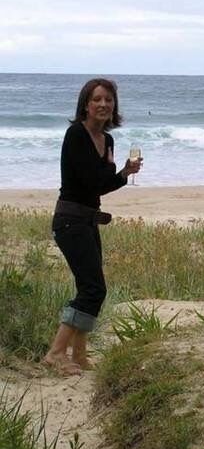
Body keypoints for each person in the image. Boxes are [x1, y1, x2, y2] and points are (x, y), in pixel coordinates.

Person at [42, 78, 142, 375]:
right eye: (97, 99)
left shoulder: (107, 140)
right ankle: (56, 353)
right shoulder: (76, 134)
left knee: (89, 287)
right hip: (69, 221)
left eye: (108, 100)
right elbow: (92, 181)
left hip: (87, 220)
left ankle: (80, 355)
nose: (103, 105)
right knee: (93, 289)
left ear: (114, 106)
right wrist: (112, 169)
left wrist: (125, 172)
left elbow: (102, 187)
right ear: (85, 104)